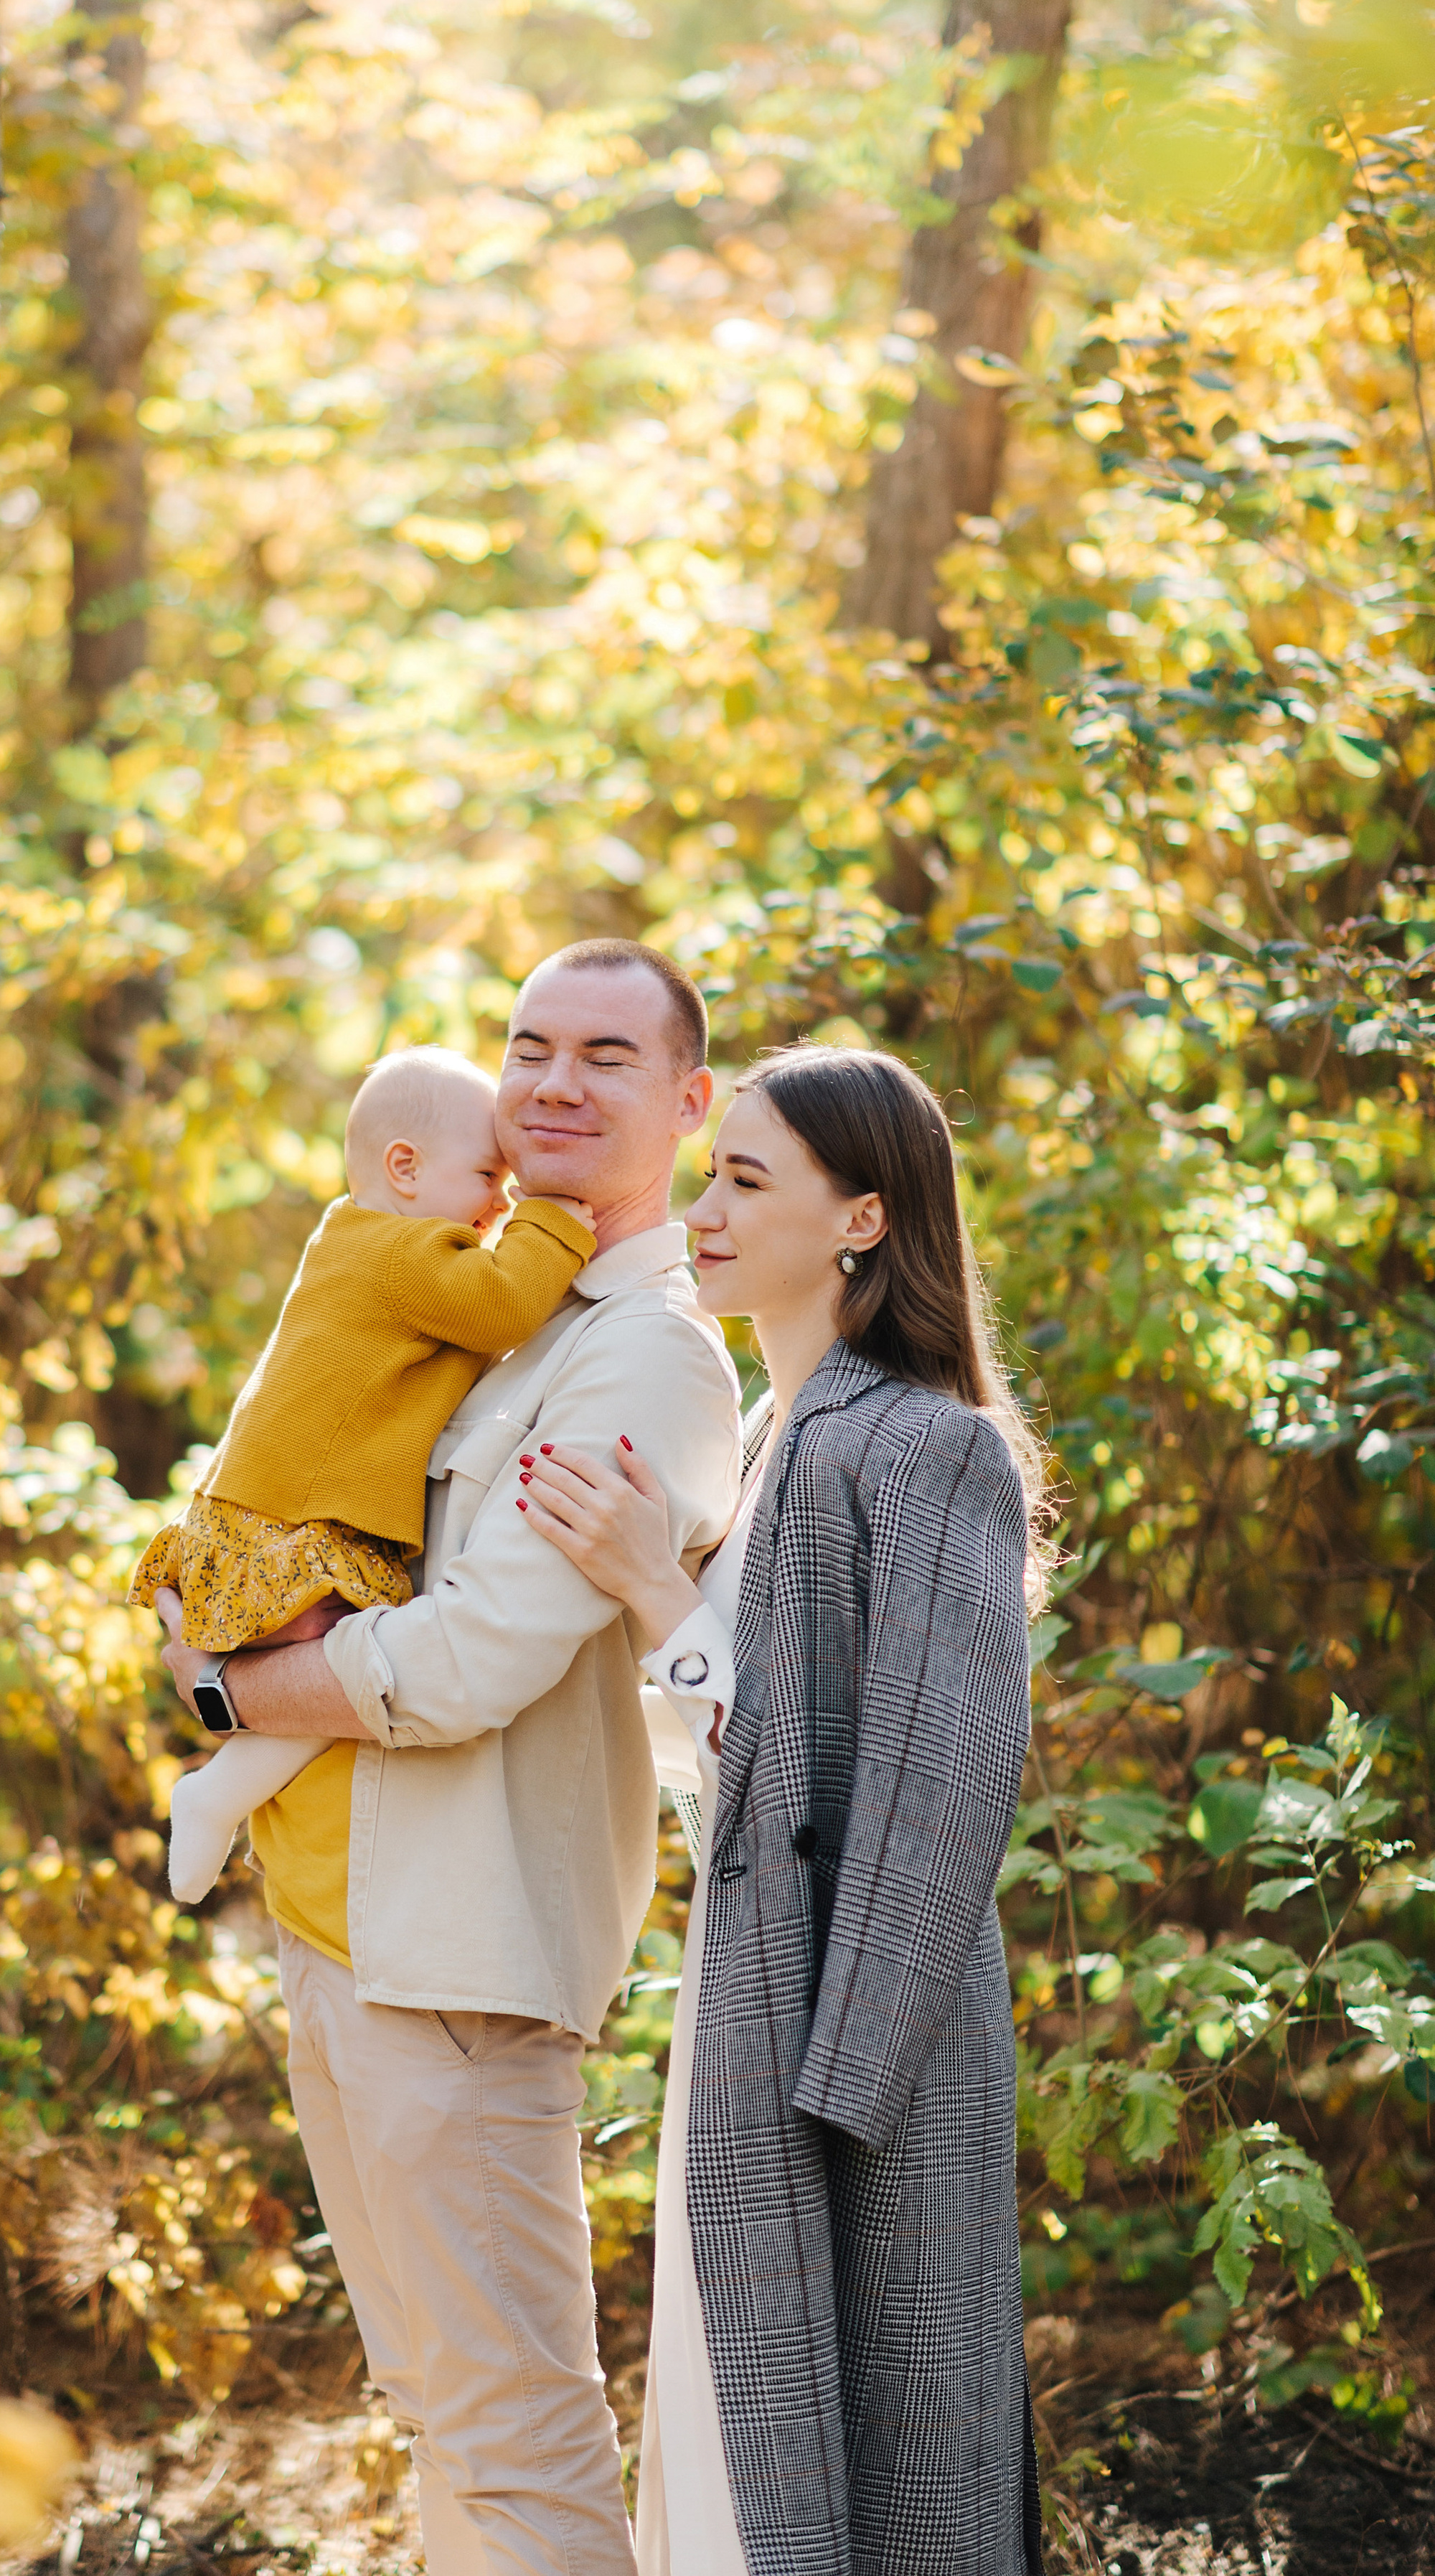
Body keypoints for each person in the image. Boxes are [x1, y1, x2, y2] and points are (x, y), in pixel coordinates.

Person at [152, 940, 742, 2576]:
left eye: (603, 1055)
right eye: (526, 1041)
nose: (552, 1079)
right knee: (435, 2404)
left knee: (514, 2423)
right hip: (347, 1920)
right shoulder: (490, 1305)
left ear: (686, 1103)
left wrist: (228, 1692)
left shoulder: (642, 1351)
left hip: (460, 1957)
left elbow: (470, 1658)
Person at [518, 1042, 1047, 2576]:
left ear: (863, 1218)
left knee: (882, 2470)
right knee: (731, 2432)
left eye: (748, 1179)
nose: (705, 1206)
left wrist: (649, 1587)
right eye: (711, 1172)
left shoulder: (924, 1445)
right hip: (752, 1999)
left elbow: (940, 1775)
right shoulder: (768, 1444)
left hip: (859, 2034)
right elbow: (740, 1749)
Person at [128, 1045, 597, 1899]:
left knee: (337, 1670)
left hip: (277, 1511)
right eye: (490, 1175)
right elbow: (504, 1302)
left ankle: (217, 1793)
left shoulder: (359, 1237)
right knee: (338, 1664)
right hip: (293, 1526)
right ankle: (213, 1794)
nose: (502, 1200)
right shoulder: (398, 1253)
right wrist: (557, 1212)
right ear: (405, 1169)